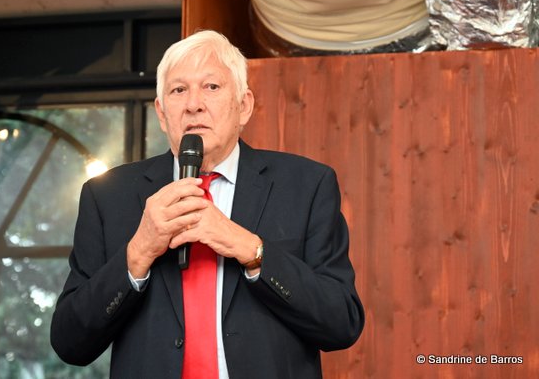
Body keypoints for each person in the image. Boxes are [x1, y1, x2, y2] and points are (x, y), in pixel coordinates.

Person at [50, 30, 364, 378]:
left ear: (243, 106)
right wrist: (139, 252)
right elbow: (70, 342)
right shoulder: (107, 196)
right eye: (178, 90)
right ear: (161, 113)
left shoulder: (306, 185)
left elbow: (342, 323)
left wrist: (252, 250)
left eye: (211, 87)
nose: (193, 104)